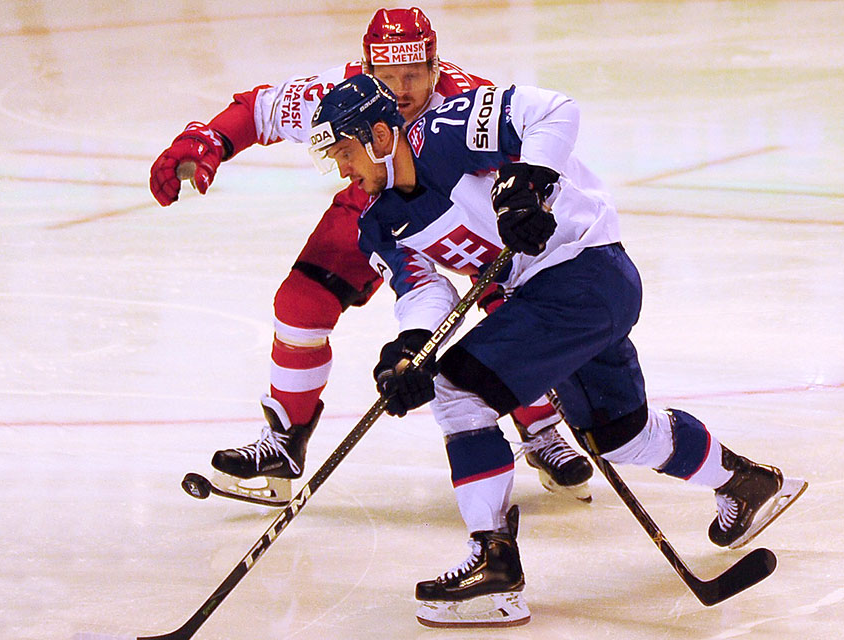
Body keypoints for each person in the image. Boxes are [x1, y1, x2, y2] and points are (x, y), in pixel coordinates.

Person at [308, 74, 808, 627]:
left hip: (585, 270)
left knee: (458, 394)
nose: (342, 169)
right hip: (568, 295)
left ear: (380, 135)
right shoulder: (378, 224)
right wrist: (410, 349)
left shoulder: (447, 131)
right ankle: (744, 482)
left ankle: (494, 564)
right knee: (622, 435)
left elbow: (554, 111)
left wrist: (529, 180)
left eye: (345, 151)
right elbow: (424, 290)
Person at [148, 8, 593, 505]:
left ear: (436, 66)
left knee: (509, 307)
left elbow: (542, 144)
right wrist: (205, 142)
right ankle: (283, 440)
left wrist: (530, 203)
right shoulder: (343, 98)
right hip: (376, 202)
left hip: (463, 208)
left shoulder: (470, 103)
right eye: (387, 77)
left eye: (414, 75)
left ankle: (541, 427)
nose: (402, 91)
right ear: (367, 70)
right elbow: (260, 110)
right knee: (301, 303)